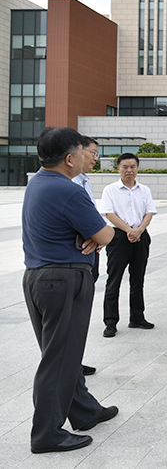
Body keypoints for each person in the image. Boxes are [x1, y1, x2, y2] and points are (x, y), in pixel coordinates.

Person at [22, 127, 117, 454]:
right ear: (69, 158)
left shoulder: (37, 182)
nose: (85, 156)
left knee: (62, 353)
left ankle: (84, 410)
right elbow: (105, 235)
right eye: (81, 151)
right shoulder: (68, 190)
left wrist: (88, 234)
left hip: (38, 276)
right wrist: (98, 234)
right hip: (63, 279)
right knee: (60, 358)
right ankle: (47, 434)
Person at [98, 153, 157, 338]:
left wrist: (139, 230)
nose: (129, 170)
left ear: (137, 168)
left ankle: (137, 317)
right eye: (125, 167)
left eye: (132, 166)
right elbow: (109, 213)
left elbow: (149, 212)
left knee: (138, 279)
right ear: (118, 168)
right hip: (118, 238)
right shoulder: (110, 190)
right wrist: (129, 230)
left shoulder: (144, 190)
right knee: (114, 279)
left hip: (141, 236)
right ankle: (110, 322)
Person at [71, 136, 101, 377]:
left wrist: (97, 237)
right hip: (76, 255)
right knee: (72, 314)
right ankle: (70, 364)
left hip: (90, 250)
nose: (95, 158)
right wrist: (98, 235)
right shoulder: (69, 183)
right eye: (92, 152)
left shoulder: (84, 180)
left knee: (80, 314)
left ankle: (74, 361)